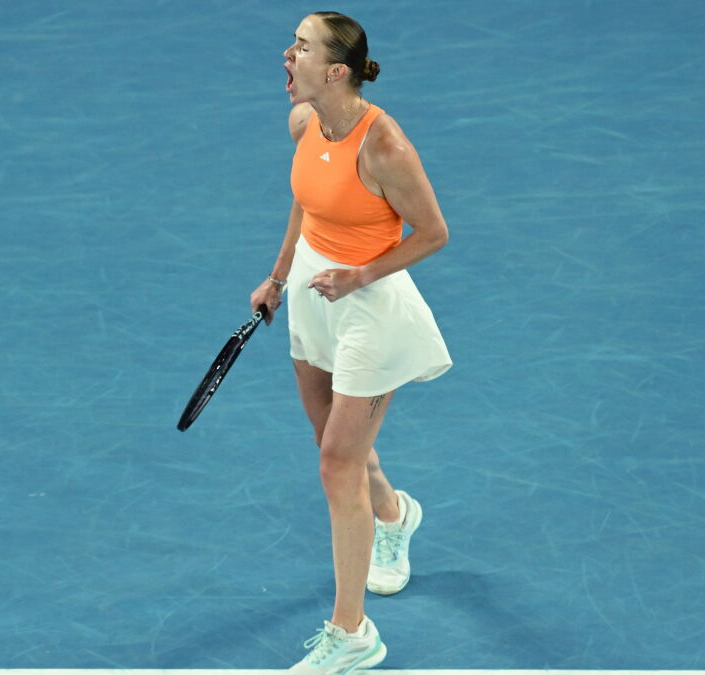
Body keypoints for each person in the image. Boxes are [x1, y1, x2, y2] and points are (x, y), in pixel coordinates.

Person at [249, 11, 453, 672]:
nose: (287, 55)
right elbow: (306, 200)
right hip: (314, 289)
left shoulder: (385, 146)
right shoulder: (305, 122)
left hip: (368, 302)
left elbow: (433, 232)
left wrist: (359, 274)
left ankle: (353, 632)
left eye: (302, 48)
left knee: (337, 463)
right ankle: (393, 515)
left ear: (337, 71)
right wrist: (278, 275)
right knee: (330, 441)